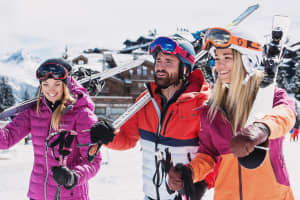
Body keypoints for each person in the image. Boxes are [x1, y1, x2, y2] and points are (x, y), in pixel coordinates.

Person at [167, 27, 296, 200]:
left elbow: (286, 114)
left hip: (272, 195)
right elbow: (208, 155)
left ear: (249, 60)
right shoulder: (212, 110)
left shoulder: (270, 96)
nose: (219, 65)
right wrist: (190, 173)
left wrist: (261, 129)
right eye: (217, 58)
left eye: (227, 58)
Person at [90, 36, 214, 200]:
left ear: (185, 68)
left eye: (168, 61)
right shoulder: (146, 100)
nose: (160, 67)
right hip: (149, 196)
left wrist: (191, 175)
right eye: (158, 61)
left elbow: (213, 155)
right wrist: (107, 137)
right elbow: (127, 138)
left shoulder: (201, 104)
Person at [0, 58, 101, 200]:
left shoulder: (82, 114)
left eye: (56, 84)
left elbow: (93, 161)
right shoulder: (34, 111)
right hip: (38, 195)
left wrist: (74, 176)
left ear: (66, 84)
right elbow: (6, 139)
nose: (50, 90)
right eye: (45, 84)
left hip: (70, 195)